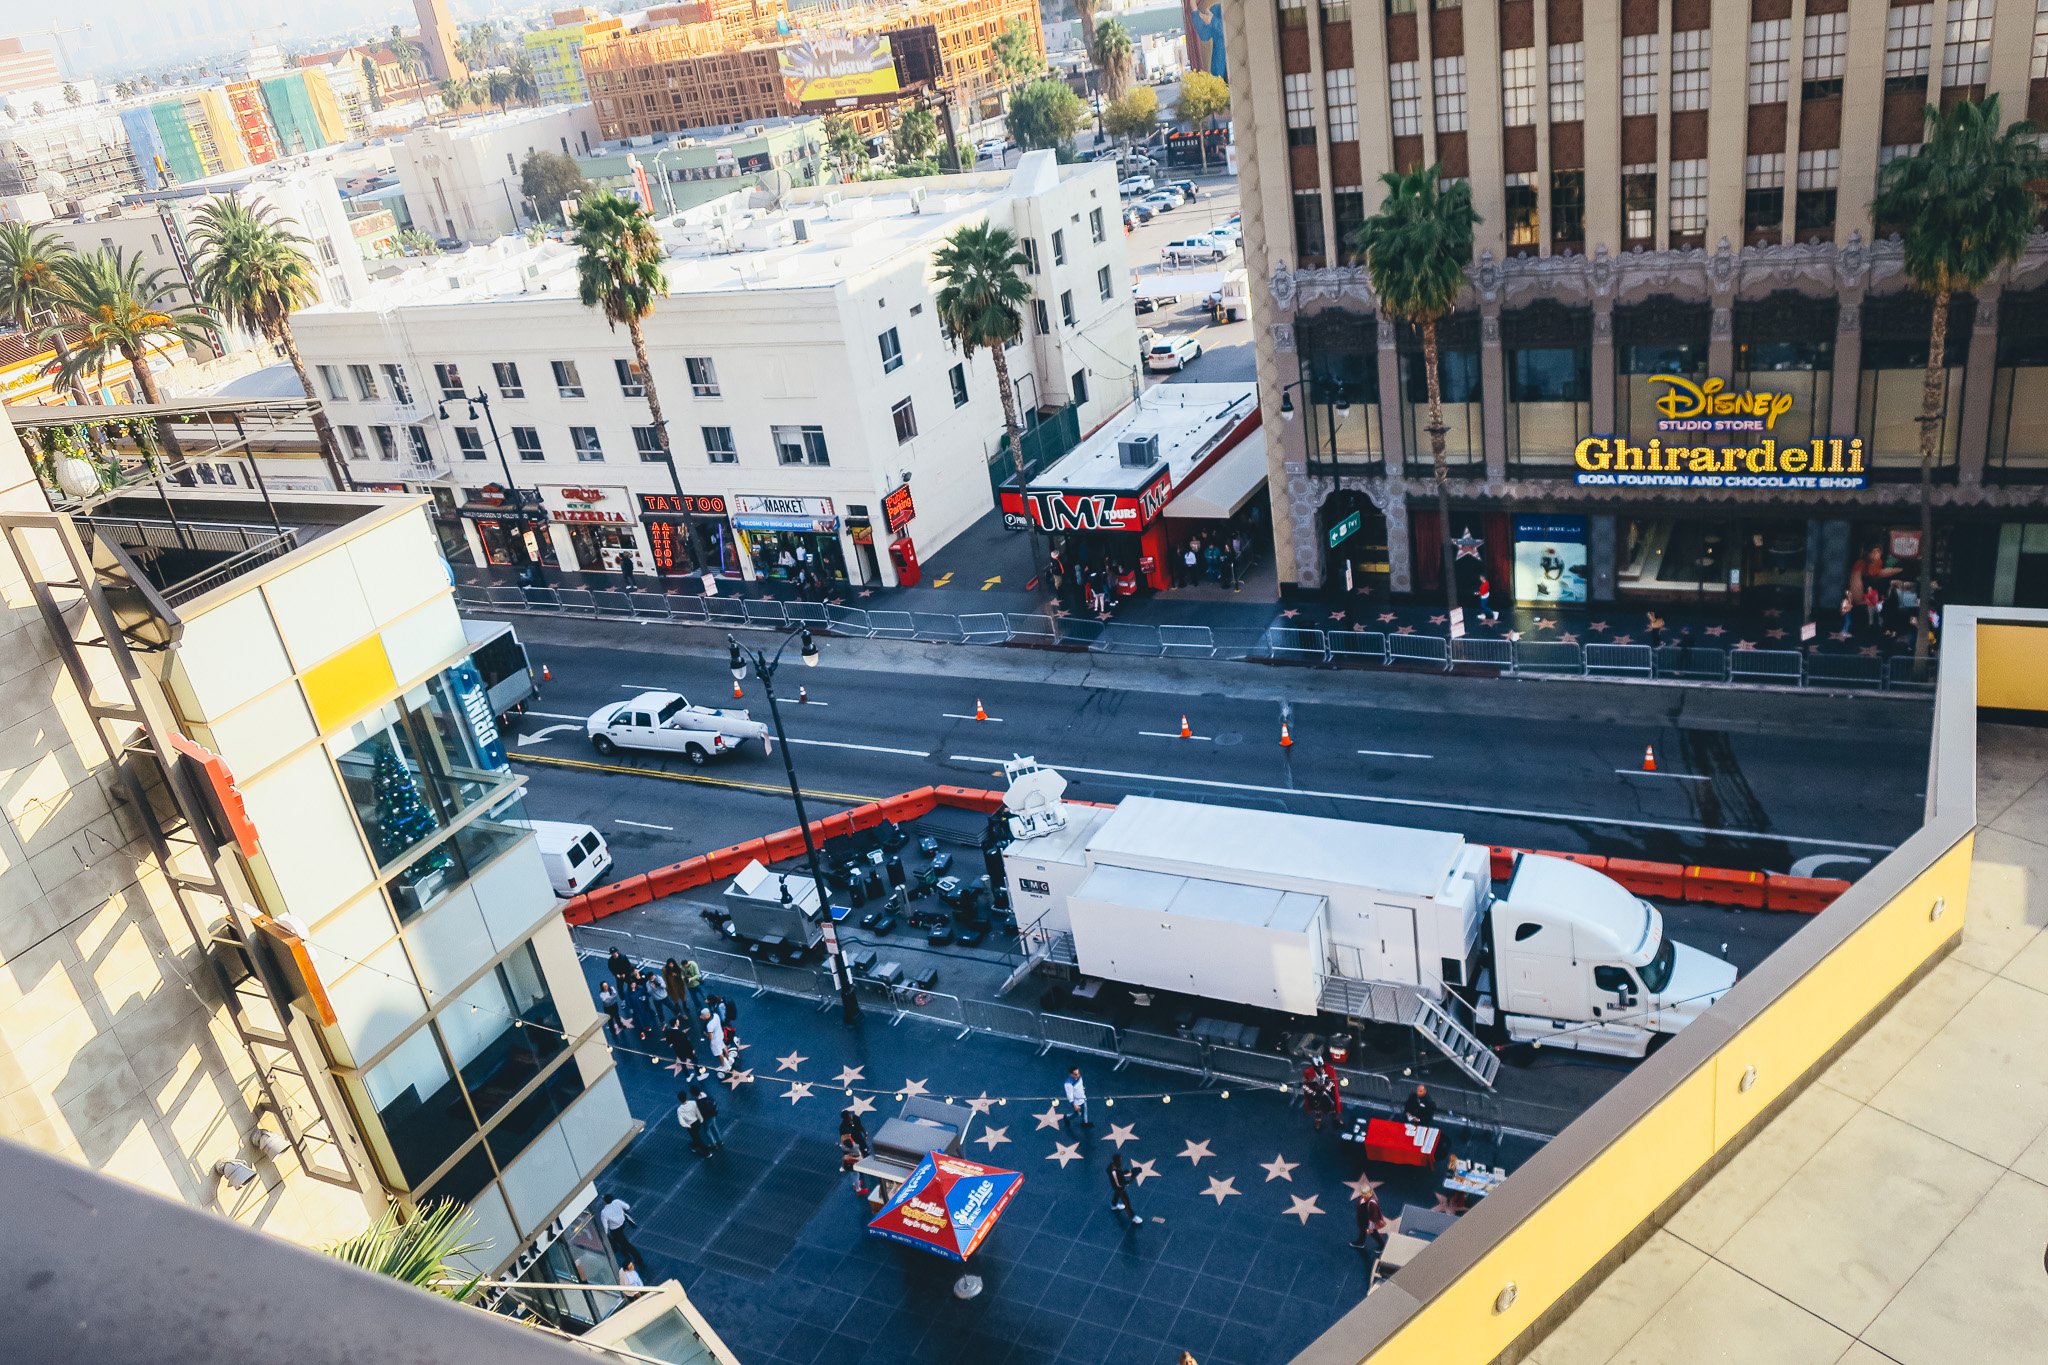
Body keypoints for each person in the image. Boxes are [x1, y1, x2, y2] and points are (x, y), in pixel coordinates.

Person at [599, 1194, 644, 1269]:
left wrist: (606, 1233)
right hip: (622, 1224)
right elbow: (627, 1207)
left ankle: (637, 1258)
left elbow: (605, 1225)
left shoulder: (604, 1212)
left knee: (625, 1243)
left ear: (605, 1201)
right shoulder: (617, 1202)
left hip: (615, 1229)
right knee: (621, 1241)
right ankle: (624, 1250)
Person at [1349, 1184, 1388, 1256]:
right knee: (1362, 1231)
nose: (1364, 1195)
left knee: (1374, 1233)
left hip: (1369, 1221)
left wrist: (1370, 1227)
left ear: (1370, 1193)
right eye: (1363, 1193)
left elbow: (1373, 1217)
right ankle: (1360, 1242)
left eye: (1366, 1193)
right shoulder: (1361, 1198)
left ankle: (1382, 1245)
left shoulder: (1372, 1203)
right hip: (1362, 1219)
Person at [1107, 1152, 1140, 1227]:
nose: (1121, 1162)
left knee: (1116, 1194)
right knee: (1126, 1202)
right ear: (1115, 1161)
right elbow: (1119, 1184)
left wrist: (1129, 1171)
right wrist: (1132, 1178)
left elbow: (1120, 1173)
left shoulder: (1113, 1166)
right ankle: (1132, 1216)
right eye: (1119, 1161)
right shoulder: (1115, 1172)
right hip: (1119, 1188)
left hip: (1116, 1187)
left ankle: (1114, 1205)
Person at [676, 1089, 710, 1156]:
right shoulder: (693, 1103)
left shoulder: (679, 1110)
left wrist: (688, 1125)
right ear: (686, 1097)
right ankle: (693, 1145)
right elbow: (698, 1112)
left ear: (680, 1099)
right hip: (697, 1122)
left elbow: (681, 1122)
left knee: (697, 1138)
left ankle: (706, 1153)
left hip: (690, 1125)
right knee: (696, 1136)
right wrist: (701, 1120)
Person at [692, 1082, 726, 1149]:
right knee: (714, 1127)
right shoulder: (703, 1094)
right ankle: (720, 1141)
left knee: (707, 1130)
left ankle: (713, 1144)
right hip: (713, 1114)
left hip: (707, 1118)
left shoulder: (697, 1103)